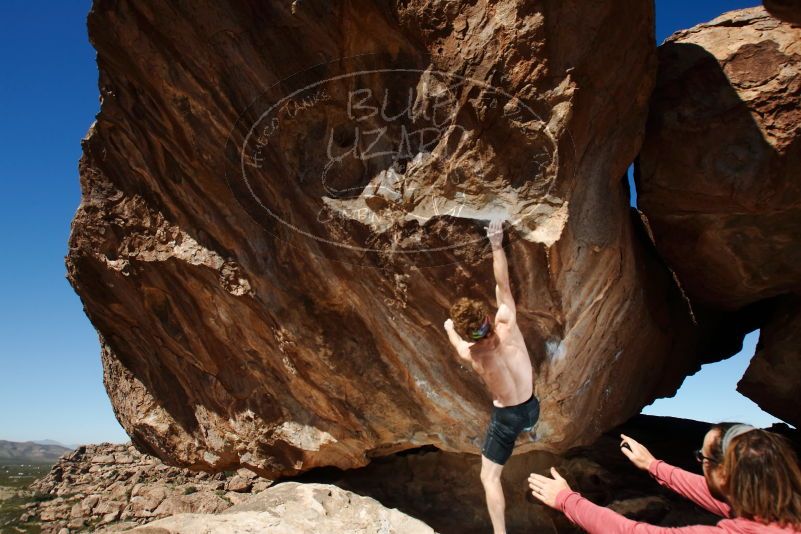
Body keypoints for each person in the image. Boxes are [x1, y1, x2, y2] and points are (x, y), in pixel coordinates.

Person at [443, 219, 539, 534]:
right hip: (531, 404)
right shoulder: (506, 321)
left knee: (489, 477)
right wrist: (496, 243)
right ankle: (532, 427)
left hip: (507, 417)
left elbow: (457, 342)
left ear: (469, 333)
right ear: (487, 317)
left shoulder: (472, 354)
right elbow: (503, 283)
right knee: (528, 415)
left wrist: (447, 327)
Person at [527, 423, 801, 533]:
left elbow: (634, 533)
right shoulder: (782, 511)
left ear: (725, 475)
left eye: (702, 458)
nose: (700, 466)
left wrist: (566, 500)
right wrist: (654, 466)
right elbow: (713, 492)